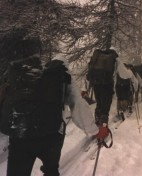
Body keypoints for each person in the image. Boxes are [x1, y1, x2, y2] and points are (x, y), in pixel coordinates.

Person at [0, 32, 108, 176]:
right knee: (51, 171)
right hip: (51, 134)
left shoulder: (13, 74)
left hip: (20, 132)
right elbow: (77, 105)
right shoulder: (60, 72)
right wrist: (95, 130)